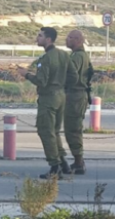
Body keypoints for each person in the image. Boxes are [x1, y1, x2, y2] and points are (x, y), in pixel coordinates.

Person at [22, 27, 70, 179]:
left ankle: (54, 167)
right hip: (61, 96)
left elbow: (41, 81)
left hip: (48, 98)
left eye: (40, 36)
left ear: (48, 39)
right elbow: (72, 75)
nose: (37, 38)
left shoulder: (45, 59)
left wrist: (27, 75)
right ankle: (63, 163)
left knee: (45, 131)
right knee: (55, 132)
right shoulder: (64, 55)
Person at [63, 30, 92, 175]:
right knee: (72, 129)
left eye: (70, 38)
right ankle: (78, 160)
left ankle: (79, 162)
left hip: (75, 96)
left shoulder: (78, 56)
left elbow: (70, 75)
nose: (66, 40)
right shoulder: (79, 55)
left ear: (78, 40)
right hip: (77, 95)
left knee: (72, 129)